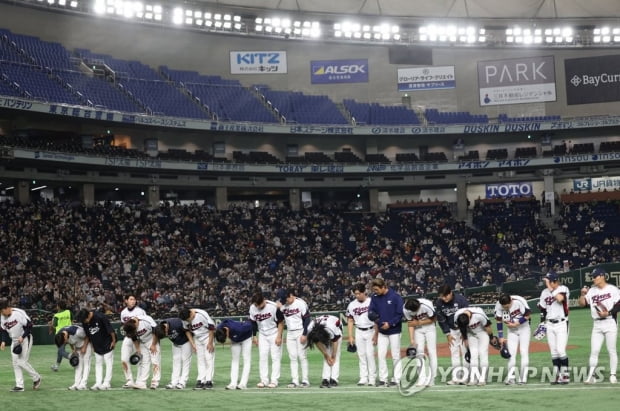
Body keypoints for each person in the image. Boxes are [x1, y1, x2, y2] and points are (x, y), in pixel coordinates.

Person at [578, 267, 620, 384]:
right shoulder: (591, 291)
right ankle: (591, 376)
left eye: (595, 276)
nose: (593, 279)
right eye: (592, 277)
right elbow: (582, 304)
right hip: (597, 324)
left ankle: (613, 375)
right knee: (594, 350)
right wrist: (582, 294)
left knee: (611, 350)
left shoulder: (612, 289)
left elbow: (619, 304)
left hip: (610, 322)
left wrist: (609, 312)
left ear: (602, 276)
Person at [0, 298, 42, 392]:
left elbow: (29, 325)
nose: (1, 313)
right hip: (14, 341)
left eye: (2, 311)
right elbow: (3, 330)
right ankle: (19, 385)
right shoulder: (2, 317)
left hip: (25, 339)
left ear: (7, 308)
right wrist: (3, 341)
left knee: (22, 362)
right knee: (15, 363)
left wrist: (23, 336)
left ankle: (37, 378)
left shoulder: (18, 313)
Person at [368, 278, 403, 387]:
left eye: (377, 289)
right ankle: (383, 379)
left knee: (395, 355)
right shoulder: (374, 298)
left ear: (384, 287)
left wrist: (390, 323)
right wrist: (378, 321)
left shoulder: (396, 297)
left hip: (394, 331)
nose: (375, 292)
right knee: (381, 355)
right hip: (382, 331)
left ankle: (397, 379)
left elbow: (399, 314)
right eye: (374, 290)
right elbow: (371, 312)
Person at [538, 271, 570, 384]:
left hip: (561, 323)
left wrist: (549, 288)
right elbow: (542, 308)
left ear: (554, 281)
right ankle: (557, 375)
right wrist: (542, 323)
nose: (546, 283)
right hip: (549, 324)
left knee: (561, 350)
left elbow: (560, 299)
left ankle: (565, 375)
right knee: (554, 352)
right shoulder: (544, 292)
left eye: (548, 281)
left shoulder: (563, 289)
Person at [435, 284, 470, 385]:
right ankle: (456, 377)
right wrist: (447, 333)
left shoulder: (461, 300)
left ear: (450, 293)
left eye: (445, 296)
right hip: (452, 330)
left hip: (463, 329)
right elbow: (441, 319)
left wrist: (465, 333)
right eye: (441, 296)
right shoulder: (439, 303)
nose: (443, 298)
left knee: (465, 353)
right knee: (454, 353)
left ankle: (466, 377)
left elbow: (467, 316)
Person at [249, 290, 284, 388]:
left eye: (260, 304)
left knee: (275, 357)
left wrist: (279, 336)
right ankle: (264, 380)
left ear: (264, 300)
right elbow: (253, 322)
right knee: (263, 357)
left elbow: (281, 322)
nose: (258, 307)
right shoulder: (252, 308)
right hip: (262, 334)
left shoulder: (273, 307)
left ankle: (274, 380)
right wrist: (254, 336)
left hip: (274, 333)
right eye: (256, 305)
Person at [494, 293, 531, 385]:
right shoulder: (499, 305)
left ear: (511, 300)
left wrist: (516, 324)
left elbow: (527, 316)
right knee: (511, 354)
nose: (506, 309)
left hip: (524, 329)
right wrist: (501, 336)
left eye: (508, 306)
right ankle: (511, 378)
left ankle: (523, 378)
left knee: (523, 352)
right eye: (504, 307)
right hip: (511, 331)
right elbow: (498, 320)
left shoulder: (519, 301)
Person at [277, 288, 311, 388]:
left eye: (286, 299)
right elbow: (280, 317)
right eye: (284, 300)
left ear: (291, 295)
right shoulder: (283, 304)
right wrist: (280, 307)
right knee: (292, 357)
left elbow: (307, 319)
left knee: (302, 356)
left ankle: (305, 380)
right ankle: (295, 380)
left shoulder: (300, 303)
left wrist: (305, 334)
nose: (285, 301)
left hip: (300, 331)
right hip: (290, 333)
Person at [76, 308, 116, 390]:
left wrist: (113, 341)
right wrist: (92, 345)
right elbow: (88, 335)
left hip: (107, 342)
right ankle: (98, 383)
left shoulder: (100, 316)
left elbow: (110, 329)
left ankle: (106, 383)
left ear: (88, 316)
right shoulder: (84, 321)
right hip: (97, 344)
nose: (85, 322)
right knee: (98, 363)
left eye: (85, 320)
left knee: (108, 362)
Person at [454, 306, 495, 386]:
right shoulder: (457, 316)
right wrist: (465, 341)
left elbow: (488, 327)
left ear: (469, 318)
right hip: (470, 334)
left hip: (482, 333)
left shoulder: (479, 315)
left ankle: (483, 379)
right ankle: (473, 379)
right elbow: (462, 329)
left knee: (483, 354)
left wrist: (491, 337)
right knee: (473, 356)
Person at [345, 283, 376, 386]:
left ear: (364, 292)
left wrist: (376, 334)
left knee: (370, 355)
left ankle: (372, 378)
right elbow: (350, 320)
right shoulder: (352, 305)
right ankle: (363, 378)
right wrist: (350, 336)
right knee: (361, 355)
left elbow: (377, 319)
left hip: (371, 330)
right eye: (355, 294)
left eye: (359, 293)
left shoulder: (372, 302)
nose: (357, 296)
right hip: (359, 331)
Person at [178, 307, 216, 390]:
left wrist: (210, 343)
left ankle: (209, 380)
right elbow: (186, 330)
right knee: (200, 359)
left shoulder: (202, 314)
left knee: (209, 358)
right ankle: (201, 380)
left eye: (189, 319)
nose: (188, 321)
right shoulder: (185, 317)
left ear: (191, 314)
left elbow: (211, 328)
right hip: (197, 339)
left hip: (207, 337)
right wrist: (193, 344)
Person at [403, 297, 437, 386]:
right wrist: (412, 340)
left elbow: (433, 319)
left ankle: (431, 378)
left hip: (430, 327)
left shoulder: (427, 305)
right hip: (418, 330)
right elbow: (410, 324)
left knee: (431, 351)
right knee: (419, 353)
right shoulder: (406, 309)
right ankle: (421, 378)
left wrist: (419, 323)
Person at [154, 317, 196, 390]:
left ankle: (182, 382)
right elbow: (156, 335)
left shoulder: (177, 323)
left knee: (185, 361)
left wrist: (192, 344)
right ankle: (174, 382)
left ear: (166, 328)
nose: (166, 335)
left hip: (185, 342)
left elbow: (187, 331)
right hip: (176, 344)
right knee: (176, 361)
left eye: (166, 333)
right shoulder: (159, 327)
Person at [122, 314, 161, 389]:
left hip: (152, 339)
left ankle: (155, 382)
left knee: (155, 360)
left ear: (136, 324)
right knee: (144, 362)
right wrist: (138, 350)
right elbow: (134, 338)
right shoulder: (130, 325)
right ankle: (142, 383)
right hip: (142, 342)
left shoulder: (146, 320)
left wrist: (153, 344)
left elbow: (156, 332)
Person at [305, 314, 343, 388]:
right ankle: (325, 379)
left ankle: (334, 379)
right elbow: (316, 342)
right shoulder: (310, 329)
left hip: (337, 327)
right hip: (324, 328)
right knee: (327, 356)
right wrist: (326, 355)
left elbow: (335, 341)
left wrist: (333, 356)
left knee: (336, 356)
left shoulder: (331, 329)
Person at [215, 319, 253, 390]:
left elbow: (250, 325)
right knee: (235, 360)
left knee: (246, 360)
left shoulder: (239, 329)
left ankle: (243, 384)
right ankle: (233, 383)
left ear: (227, 330)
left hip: (246, 337)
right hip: (235, 338)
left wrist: (254, 336)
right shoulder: (219, 329)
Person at [120, 294, 147, 389]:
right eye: (131, 299)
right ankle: (129, 380)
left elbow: (144, 323)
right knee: (124, 359)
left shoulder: (140, 311)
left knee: (140, 359)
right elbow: (125, 326)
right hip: (129, 337)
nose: (133, 301)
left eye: (134, 299)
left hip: (139, 337)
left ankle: (139, 381)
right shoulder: (123, 313)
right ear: (126, 301)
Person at [54, 324, 92, 390]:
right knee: (78, 365)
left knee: (86, 363)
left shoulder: (77, 332)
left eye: (64, 342)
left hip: (86, 343)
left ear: (65, 337)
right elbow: (70, 342)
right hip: (77, 346)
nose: (65, 343)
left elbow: (88, 336)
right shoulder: (62, 335)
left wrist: (84, 347)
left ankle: (83, 384)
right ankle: (76, 384)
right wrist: (74, 350)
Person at [49, 301, 73, 372]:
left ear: (58, 307)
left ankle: (70, 356)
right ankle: (56, 366)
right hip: (70, 332)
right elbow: (72, 320)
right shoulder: (69, 312)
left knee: (61, 351)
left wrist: (51, 323)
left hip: (60, 335)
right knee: (60, 351)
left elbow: (55, 325)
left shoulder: (56, 315)